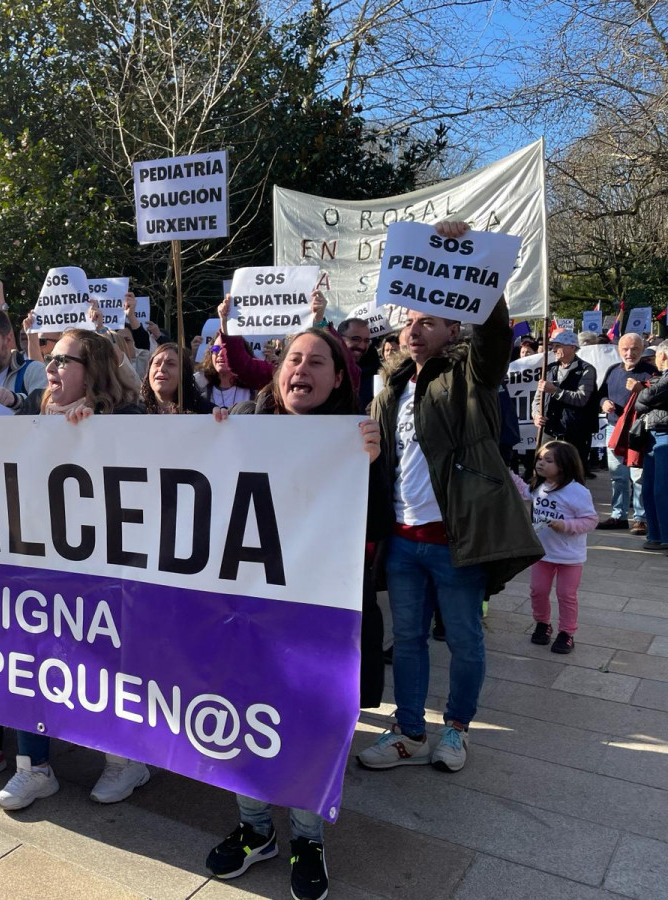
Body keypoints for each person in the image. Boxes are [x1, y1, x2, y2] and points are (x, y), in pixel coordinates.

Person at [204, 328, 386, 900]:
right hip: (245, 614)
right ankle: (256, 829)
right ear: (279, 372)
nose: (301, 368)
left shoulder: (357, 440)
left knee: (307, 724)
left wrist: (371, 466)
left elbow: (377, 528)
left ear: (338, 378)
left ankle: (308, 837)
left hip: (316, 619)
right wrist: (199, 443)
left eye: (317, 361)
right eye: (294, 359)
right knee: (238, 720)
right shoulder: (242, 430)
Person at [357, 220, 542, 775]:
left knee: (464, 641)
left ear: (452, 328)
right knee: (408, 640)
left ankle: (457, 729)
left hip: (455, 539)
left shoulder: (471, 375)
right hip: (405, 541)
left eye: (428, 322)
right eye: (410, 322)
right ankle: (408, 730)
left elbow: (494, 335)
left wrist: (472, 266)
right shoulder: (390, 386)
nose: (414, 331)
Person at [0, 329, 144, 811]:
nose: (51, 369)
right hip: (38, 566)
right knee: (27, 659)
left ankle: (125, 761)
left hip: (104, 570)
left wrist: (100, 432)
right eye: (49, 359)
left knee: (106, 662)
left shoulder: (129, 418)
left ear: (94, 368)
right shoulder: (30, 416)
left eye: (63, 360)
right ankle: (32, 768)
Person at [510, 441, 597, 655]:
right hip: (542, 553)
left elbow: (591, 520)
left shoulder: (578, 492)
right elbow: (524, 492)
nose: (541, 463)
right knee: (538, 591)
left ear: (565, 465)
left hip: (570, 556)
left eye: (548, 460)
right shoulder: (539, 486)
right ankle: (542, 624)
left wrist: (565, 525)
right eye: (539, 458)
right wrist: (507, 473)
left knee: (566, 594)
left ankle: (567, 633)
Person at [597, 334, 657, 532]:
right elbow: (601, 394)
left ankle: (641, 518)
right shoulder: (613, 370)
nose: (629, 353)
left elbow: (657, 399)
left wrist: (640, 390)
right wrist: (604, 402)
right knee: (617, 475)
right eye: (625, 349)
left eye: (634, 349)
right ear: (618, 350)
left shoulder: (651, 372)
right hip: (615, 429)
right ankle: (618, 516)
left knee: (638, 475)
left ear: (642, 349)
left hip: (639, 430)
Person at [534, 331, 599, 480]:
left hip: (575, 431)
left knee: (573, 474)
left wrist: (555, 391)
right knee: (543, 471)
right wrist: (536, 415)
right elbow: (538, 397)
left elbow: (582, 398)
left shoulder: (586, 370)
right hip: (550, 430)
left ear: (571, 347)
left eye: (558, 346)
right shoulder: (549, 368)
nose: (554, 350)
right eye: (553, 346)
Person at [635, 346, 668, 552]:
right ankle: (655, 534)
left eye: (656, 355)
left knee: (661, 489)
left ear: (663, 355)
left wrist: (644, 392)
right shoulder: (661, 377)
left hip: (665, 434)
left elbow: (644, 398)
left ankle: (665, 536)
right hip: (652, 433)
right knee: (648, 489)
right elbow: (642, 401)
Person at [142, 342, 213, 414]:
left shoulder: (206, 412)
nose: (161, 369)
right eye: (157, 363)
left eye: (170, 364)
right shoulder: (136, 411)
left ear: (184, 373)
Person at [195, 337, 252, 410]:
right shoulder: (199, 385)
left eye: (227, 349)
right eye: (216, 349)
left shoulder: (254, 390)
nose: (220, 353)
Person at [338, 317, 379, 411]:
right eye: (355, 339)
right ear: (339, 339)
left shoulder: (377, 372)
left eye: (366, 341)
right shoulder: (327, 370)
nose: (362, 346)